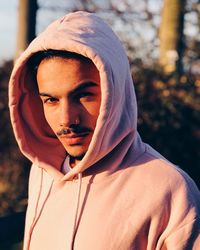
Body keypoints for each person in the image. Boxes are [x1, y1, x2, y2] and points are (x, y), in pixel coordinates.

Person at [9, 11, 200, 250]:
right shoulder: (42, 173)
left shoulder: (171, 189)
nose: (67, 119)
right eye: (51, 100)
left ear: (116, 92)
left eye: (84, 96)